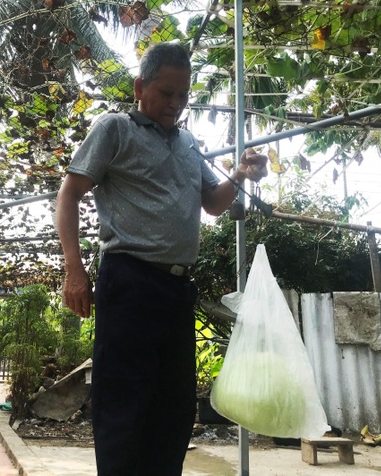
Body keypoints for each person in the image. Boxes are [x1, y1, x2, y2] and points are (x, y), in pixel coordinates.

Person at [56, 42, 268, 476]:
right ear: (140, 87)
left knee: (172, 407)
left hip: (176, 289)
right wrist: (74, 268)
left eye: (183, 95)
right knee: (123, 405)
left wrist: (241, 174)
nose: (175, 104)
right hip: (129, 280)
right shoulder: (115, 129)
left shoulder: (190, 144)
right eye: (166, 93)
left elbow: (212, 202)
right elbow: (69, 194)